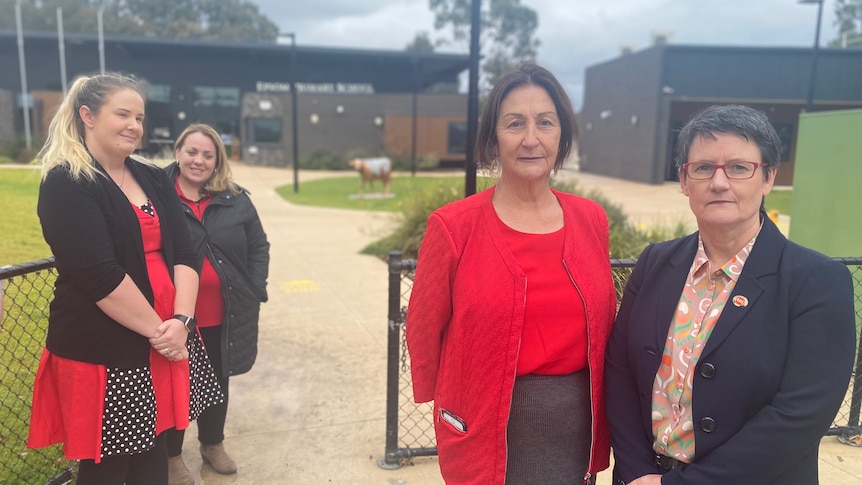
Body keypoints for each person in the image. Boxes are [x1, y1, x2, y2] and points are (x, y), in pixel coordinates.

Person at [605, 104, 856, 485]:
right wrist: (638, 471)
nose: (719, 182)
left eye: (739, 168)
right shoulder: (655, 263)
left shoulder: (816, 282)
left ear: (768, 177)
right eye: (704, 168)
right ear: (684, 180)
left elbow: (798, 415)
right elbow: (619, 371)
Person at [405, 63, 617, 485]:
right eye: (515, 123)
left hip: (578, 430)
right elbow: (424, 323)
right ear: (493, 138)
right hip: (486, 430)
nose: (531, 139)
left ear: (562, 135)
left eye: (545, 122)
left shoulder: (590, 219)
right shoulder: (453, 227)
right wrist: (441, 398)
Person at [27, 73, 223, 485]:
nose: (134, 125)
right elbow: (99, 276)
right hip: (111, 347)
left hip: (168, 337)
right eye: (123, 114)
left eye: (140, 116)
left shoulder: (151, 177)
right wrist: (162, 332)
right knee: (109, 463)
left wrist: (183, 322)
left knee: (153, 451)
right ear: (88, 116)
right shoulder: (67, 181)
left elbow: (185, 252)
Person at [164, 124, 270, 483]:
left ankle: (212, 444)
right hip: (176, 316)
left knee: (218, 383)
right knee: (177, 384)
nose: (198, 160)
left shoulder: (235, 198)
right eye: (192, 152)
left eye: (207, 155)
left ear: (217, 161)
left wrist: (255, 286)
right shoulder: (157, 195)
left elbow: (259, 246)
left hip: (226, 312)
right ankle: (172, 456)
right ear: (178, 152)